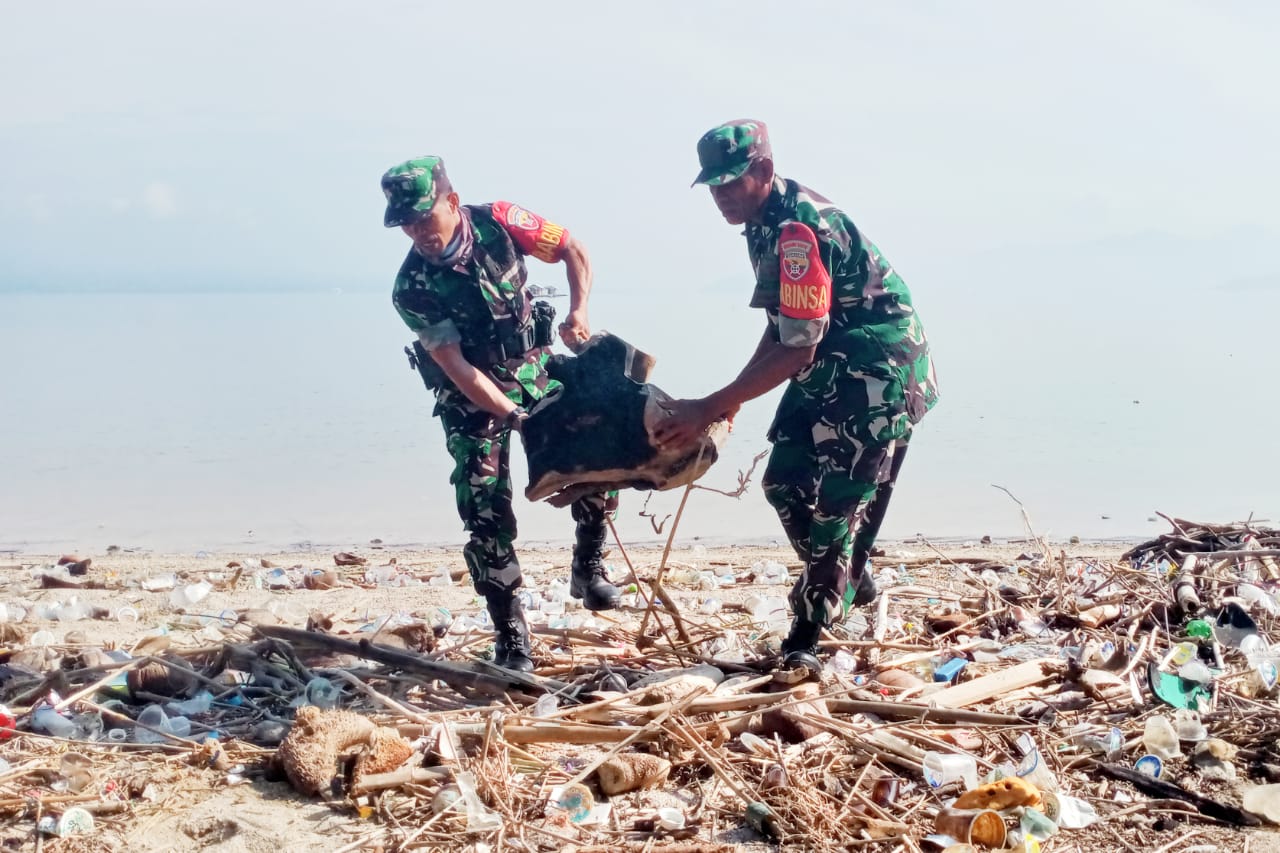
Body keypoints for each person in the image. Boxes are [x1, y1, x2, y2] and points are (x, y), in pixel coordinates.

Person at [654, 121, 939, 674]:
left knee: (837, 510)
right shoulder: (761, 224)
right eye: (712, 187)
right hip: (829, 359)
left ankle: (805, 637)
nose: (721, 197)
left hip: (877, 369)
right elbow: (782, 325)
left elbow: (797, 351)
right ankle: (847, 577)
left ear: (763, 170)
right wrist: (733, 398)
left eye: (731, 183)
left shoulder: (800, 230)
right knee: (782, 482)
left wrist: (709, 406)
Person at [381, 155, 620, 673]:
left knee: (599, 446)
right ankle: (511, 635)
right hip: (471, 393)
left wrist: (579, 312)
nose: (418, 231)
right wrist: (514, 416)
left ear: (450, 200)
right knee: (483, 502)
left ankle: (589, 562)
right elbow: (457, 367)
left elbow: (573, 250)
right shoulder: (411, 288)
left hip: (534, 364)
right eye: (405, 223)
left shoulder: (502, 219)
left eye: (425, 216)